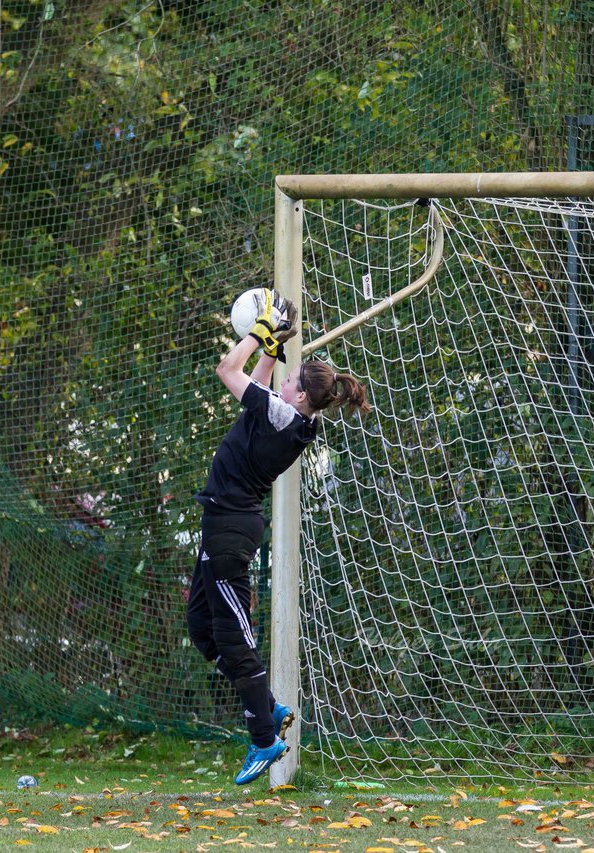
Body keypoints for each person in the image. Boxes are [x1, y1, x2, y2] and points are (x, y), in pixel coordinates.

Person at [188, 289, 371, 785]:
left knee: (233, 637)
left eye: (291, 378)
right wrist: (273, 346)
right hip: (221, 524)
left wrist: (257, 334)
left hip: (230, 528)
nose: (283, 378)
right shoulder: (289, 414)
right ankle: (270, 707)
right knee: (202, 629)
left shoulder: (282, 415)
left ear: (300, 397)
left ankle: (264, 736)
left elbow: (230, 371)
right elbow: (259, 381)